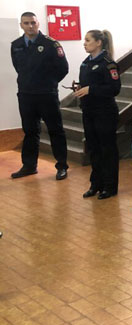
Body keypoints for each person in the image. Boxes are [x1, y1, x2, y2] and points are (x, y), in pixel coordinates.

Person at [10, 12, 69, 180]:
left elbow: (63, 68)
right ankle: (29, 166)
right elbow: (18, 67)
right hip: (26, 95)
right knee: (30, 131)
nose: (30, 26)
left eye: (33, 23)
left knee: (55, 130)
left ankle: (62, 166)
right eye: (26, 23)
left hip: (46, 94)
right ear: (21, 25)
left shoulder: (51, 44)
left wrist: (49, 83)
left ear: (38, 24)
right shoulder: (16, 45)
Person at [74, 30, 121, 200]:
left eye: (88, 40)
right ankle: (96, 184)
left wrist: (91, 89)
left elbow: (114, 88)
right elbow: (88, 84)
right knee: (94, 149)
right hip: (89, 111)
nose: (84, 43)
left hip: (104, 112)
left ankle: (110, 186)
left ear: (98, 42)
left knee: (107, 150)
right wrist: (81, 89)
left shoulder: (108, 64)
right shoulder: (85, 63)